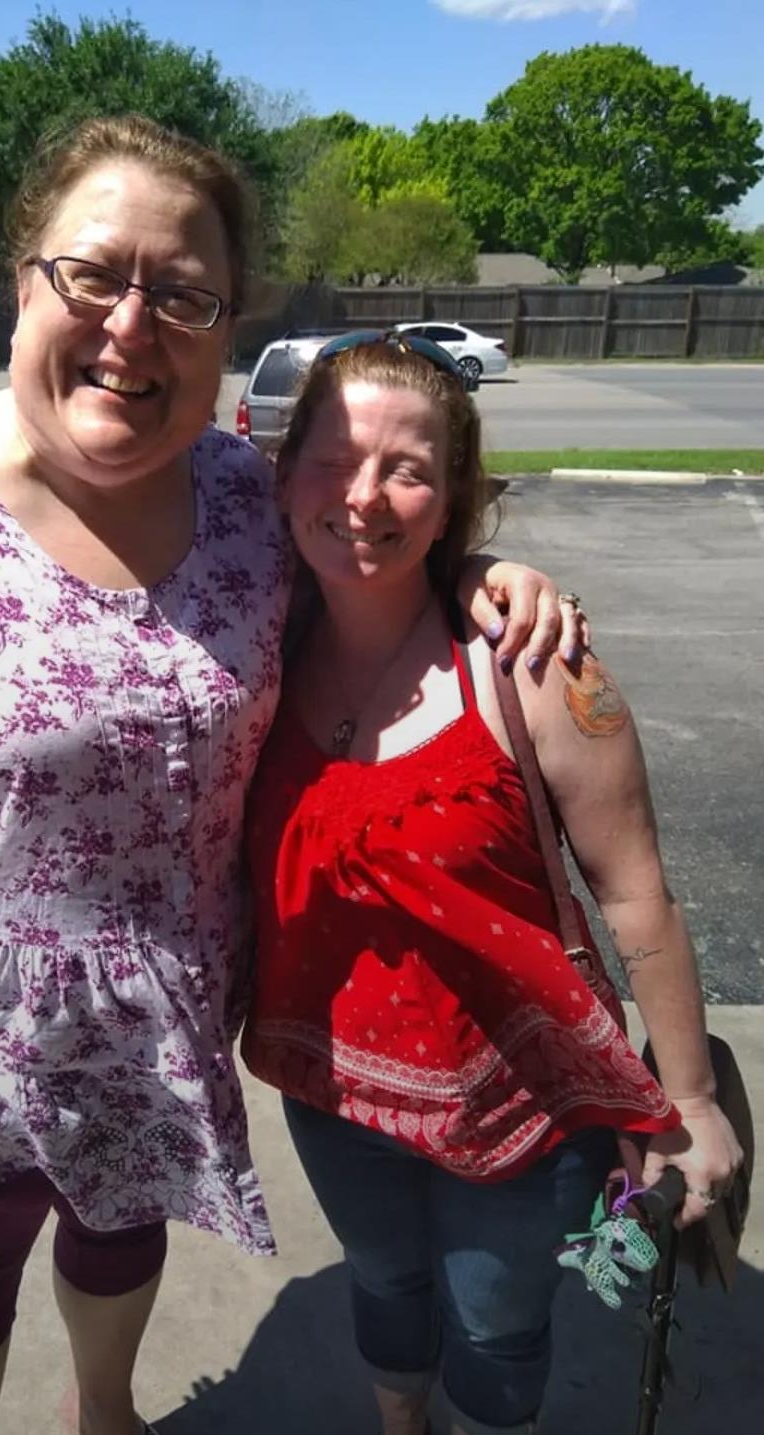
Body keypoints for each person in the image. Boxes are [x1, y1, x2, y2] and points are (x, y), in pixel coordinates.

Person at [0, 118, 583, 1435]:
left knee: (118, 1237)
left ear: (224, 327)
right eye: (92, 275)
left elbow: (365, 575)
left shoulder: (244, 505)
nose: (130, 324)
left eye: (182, 294)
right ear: (20, 276)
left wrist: (474, 577)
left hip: (160, 1009)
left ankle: (100, 1408)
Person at [241, 332, 744, 1435]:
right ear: (281, 472)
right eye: (330, 457)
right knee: (382, 1284)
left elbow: (634, 893)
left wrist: (690, 1103)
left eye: (406, 467)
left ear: (454, 493)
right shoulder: (252, 644)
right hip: (325, 1092)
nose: (362, 494)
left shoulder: (530, 667)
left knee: (494, 1323)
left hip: (520, 1113)